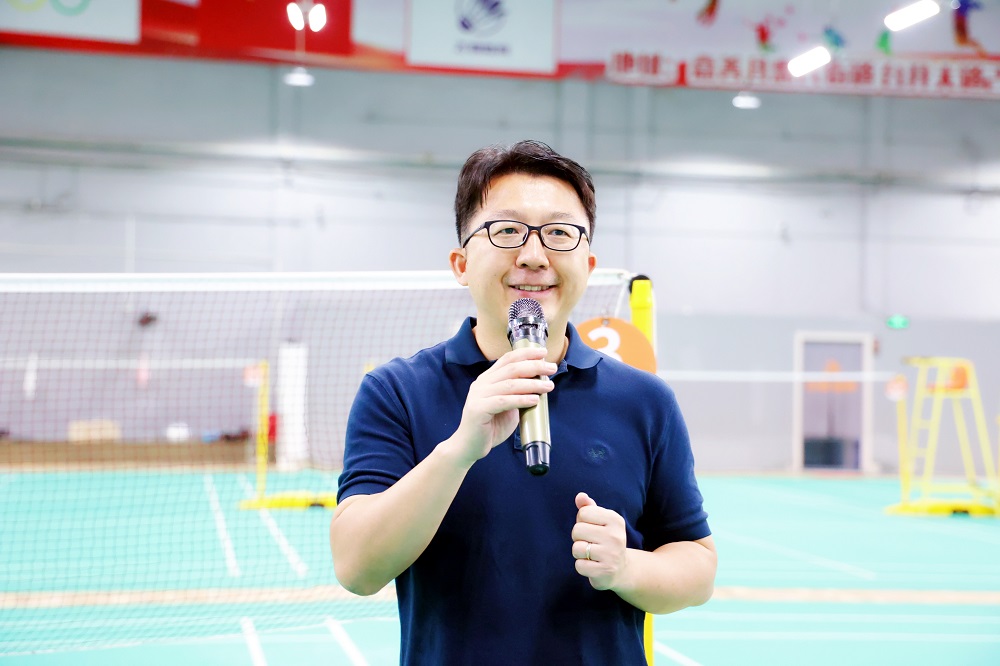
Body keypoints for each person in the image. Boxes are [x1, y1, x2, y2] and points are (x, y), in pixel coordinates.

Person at [330, 139, 716, 665]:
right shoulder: (396, 391)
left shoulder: (645, 400)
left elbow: (697, 566)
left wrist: (627, 567)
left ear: (588, 263)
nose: (534, 255)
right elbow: (356, 568)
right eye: (507, 231)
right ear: (461, 263)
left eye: (559, 233)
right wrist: (458, 452)